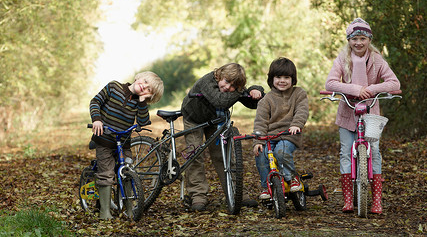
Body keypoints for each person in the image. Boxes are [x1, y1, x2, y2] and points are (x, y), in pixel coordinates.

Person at [325, 18, 400, 214]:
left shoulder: (377, 59)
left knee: (374, 152)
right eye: (354, 39)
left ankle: (376, 201)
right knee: (345, 153)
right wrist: (356, 89)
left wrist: (372, 89)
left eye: (362, 38)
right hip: (347, 112)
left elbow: (394, 83)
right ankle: (348, 200)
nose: (358, 43)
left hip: (370, 113)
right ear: (349, 40)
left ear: (369, 39)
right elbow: (330, 83)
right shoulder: (342, 59)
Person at [181, 63, 264, 211]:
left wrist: (255, 90)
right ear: (219, 75)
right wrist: (239, 91)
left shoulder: (233, 89)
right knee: (195, 155)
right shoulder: (207, 81)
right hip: (194, 117)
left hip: (215, 120)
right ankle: (198, 195)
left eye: (233, 86)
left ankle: (236, 193)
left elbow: (252, 104)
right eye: (226, 81)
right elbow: (219, 100)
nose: (227, 87)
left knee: (223, 155)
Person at [90, 71, 164, 219]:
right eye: (145, 82)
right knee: (107, 173)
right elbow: (95, 101)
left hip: (123, 143)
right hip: (104, 139)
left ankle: (128, 210)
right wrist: (97, 119)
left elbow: (143, 122)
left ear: (150, 96)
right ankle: (104, 212)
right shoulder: (114, 87)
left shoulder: (139, 103)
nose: (144, 87)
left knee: (127, 172)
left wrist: (142, 101)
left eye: (149, 90)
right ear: (138, 77)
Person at [253, 57, 309, 200]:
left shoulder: (298, 94)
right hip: (270, 136)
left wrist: (296, 124)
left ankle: (292, 178)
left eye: (286, 77)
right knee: (261, 154)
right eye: (278, 77)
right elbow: (260, 121)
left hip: (289, 134)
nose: (282, 80)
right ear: (272, 79)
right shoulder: (266, 100)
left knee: (281, 151)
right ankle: (267, 186)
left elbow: (302, 111)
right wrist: (258, 141)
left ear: (293, 79)